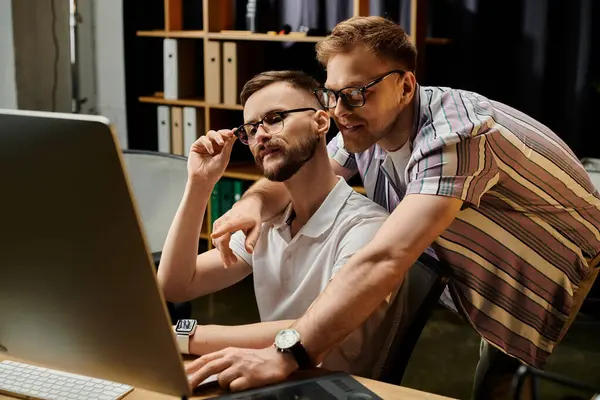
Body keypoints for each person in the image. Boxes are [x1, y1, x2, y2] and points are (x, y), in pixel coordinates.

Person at [186, 16, 600, 399]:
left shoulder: (455, 136)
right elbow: (306, 172)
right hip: (492, 228)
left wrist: (286, 355)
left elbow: (386, 256)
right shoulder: (363, 123)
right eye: (332, 96)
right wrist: (253, 203)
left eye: (356, 94)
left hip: (557, 242)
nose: (340, 112)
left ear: (405, 86)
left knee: (497, 375)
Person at [156, 70, 395, 384]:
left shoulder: (366, 226)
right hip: (271, 383)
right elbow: (175, 285)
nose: (261, 135)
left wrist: (188, 336)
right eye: (251, 129)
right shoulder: (269, 221)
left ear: (321, 122)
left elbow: (320, 326)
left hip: (336, 389)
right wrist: (199, 183)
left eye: (275, 118)